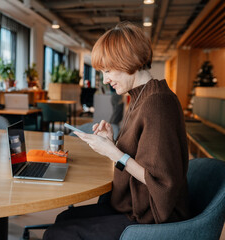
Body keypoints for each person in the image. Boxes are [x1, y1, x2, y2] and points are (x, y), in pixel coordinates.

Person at [43, 22, 190, 240]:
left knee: (58, 234)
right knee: (64, 220)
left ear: (127, 60)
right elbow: (142, 157)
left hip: (152, 218)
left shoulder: (157, 103)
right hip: (135, 205)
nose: (105, 79)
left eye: (108, 70)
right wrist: (112, 142)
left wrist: (114, 153)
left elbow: (161, 183)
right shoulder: (142, 96)